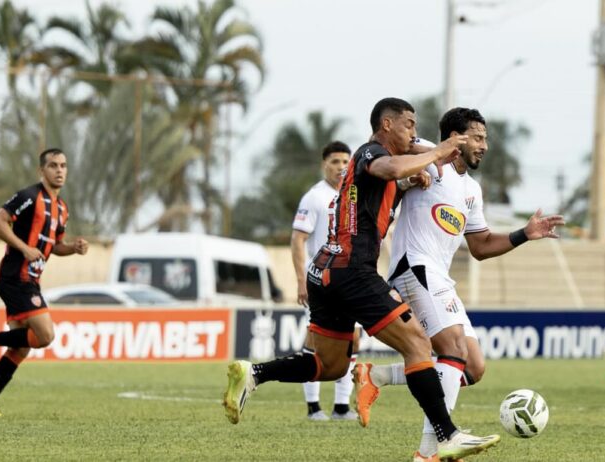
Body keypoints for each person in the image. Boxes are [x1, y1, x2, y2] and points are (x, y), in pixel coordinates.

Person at [223, 97, 500, 460]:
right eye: (409, 125)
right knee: (417, 342)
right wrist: (437, 154)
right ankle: (445, 435)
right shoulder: (370, 153)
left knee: (331, 365)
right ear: (387, 125)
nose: (414, 133)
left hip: (327, 269)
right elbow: (385, 168)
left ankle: (254, 372)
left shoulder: (384, 166)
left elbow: (385, 185)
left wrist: (408, 182)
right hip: (353, 270)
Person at [351, 107, 564, 461]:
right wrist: (423, 163)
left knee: (473, 367)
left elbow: (480, 247)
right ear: (457, 138)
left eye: (485, 139)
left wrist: (524, 234)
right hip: (414, 268)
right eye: (477, 138)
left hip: (440, 277)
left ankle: (377, 377)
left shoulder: (471, 190)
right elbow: (402, 144)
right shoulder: (432, 164)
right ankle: (429, 453)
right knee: (452, 348)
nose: (484, 145)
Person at [0, 148, 89, 416]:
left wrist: (73, 247)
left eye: (63, 165)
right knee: (46, 335)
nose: (60, 170)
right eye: (53, 165)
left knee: (20, 348)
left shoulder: (62, 209)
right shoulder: (29, 196)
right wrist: (25, 248)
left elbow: (55, 246)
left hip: (30, 279)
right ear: (42, 170)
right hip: (14, 276)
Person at [290, 141, 359, 421]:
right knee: (316, 341)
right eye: (335, 162)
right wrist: (300, 279)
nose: (341, 167)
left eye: (345, 161)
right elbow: (298, 240)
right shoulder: (314, 198)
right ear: (324, 164)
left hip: (347, 280)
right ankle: (313, 406)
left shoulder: (352, 195)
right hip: (319, 281)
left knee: (352, 339)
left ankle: (342, 406)